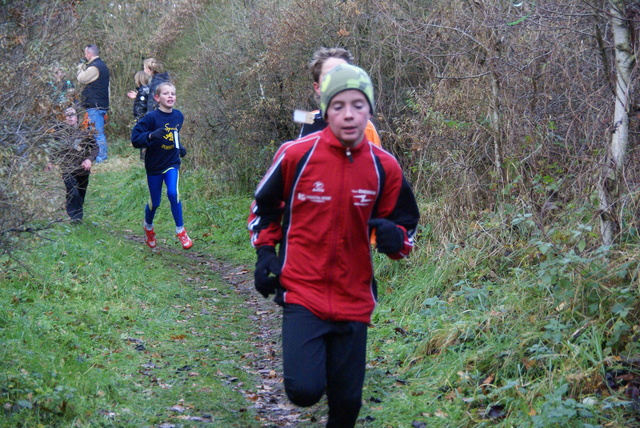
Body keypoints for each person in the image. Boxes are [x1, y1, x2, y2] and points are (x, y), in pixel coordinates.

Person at [248, 64, 420, 427]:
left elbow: (406, 228)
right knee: (304, 390)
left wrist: (396, 240)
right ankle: (311, 360)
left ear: (370, 111)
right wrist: (266, 254)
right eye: (339, 105)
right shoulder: (297, 155)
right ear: (325, 111)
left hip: (354, 297)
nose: (348, 115)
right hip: (302, 290)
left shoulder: (385, 168)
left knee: (346, 404)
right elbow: (265, 206)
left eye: (358, 105)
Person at [131, 82, 192, 250]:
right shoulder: (151, 118)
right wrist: (150, 135)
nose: (170, 96)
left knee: (173, 193)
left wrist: (180, 147)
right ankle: (148, 227)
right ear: (157, 98)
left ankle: (181, 230)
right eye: (166, 93)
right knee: (155, 202)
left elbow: (174, 135)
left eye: (173, 93)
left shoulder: (178, 116)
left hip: (172, 162)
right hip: (154, 166)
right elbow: (135, 139)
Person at [298, 47, 381, 147]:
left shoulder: (366, 127)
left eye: (343, 74)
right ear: (317, 87)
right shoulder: (309, 119)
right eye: (329, 76)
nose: (337, 80)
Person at [46, 107, 98, 223]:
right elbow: (54, 149)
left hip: (82, 169)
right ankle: (75, 218)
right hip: (67, 168)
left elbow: (95, 148)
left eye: (73, 115)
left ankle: (77, 214)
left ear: (77, 117)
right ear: (63, 117)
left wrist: (89, 160)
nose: (70, 117)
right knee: (73, 192)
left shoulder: (85, 132)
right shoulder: (59, 133)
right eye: (67, 115)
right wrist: (50, 161)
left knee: (80, 194)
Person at [76, 44, 110, 163]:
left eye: (86, 54)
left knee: (97, 133)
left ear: (89, 54)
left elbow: (81, 78)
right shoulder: (102, 65)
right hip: (99, 104)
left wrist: (80, 66)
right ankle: (97, 156)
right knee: (94, 132)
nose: (85, 56)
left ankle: (101, 157)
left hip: (95, 105)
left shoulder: (95, 67)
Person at [127, 70, 151, 161]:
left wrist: (138, 119)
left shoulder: (142, 90)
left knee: (142, 138)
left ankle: (144, 158)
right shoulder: (148, 89)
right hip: (147, 118)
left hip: (143, 119)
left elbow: (141, 107)